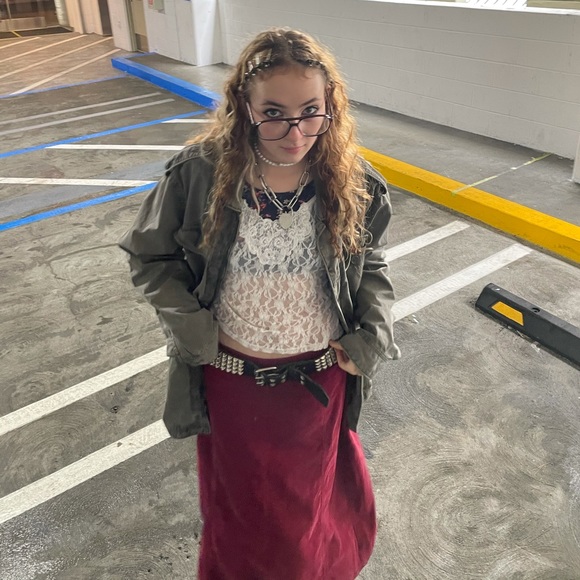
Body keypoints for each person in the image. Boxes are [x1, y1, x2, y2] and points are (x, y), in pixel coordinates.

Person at [119, 27, 400, 580]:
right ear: (243, 106)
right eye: (274, 113)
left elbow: (370, 264)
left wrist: (372, 334)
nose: (296, 134)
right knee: (244, 521)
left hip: (319, 386)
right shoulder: (200, 172)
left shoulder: (351, 179)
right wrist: (190, 327)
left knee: (306, 523)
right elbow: (149, 257)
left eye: (311, 112)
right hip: (232, 386)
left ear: (331, 104)